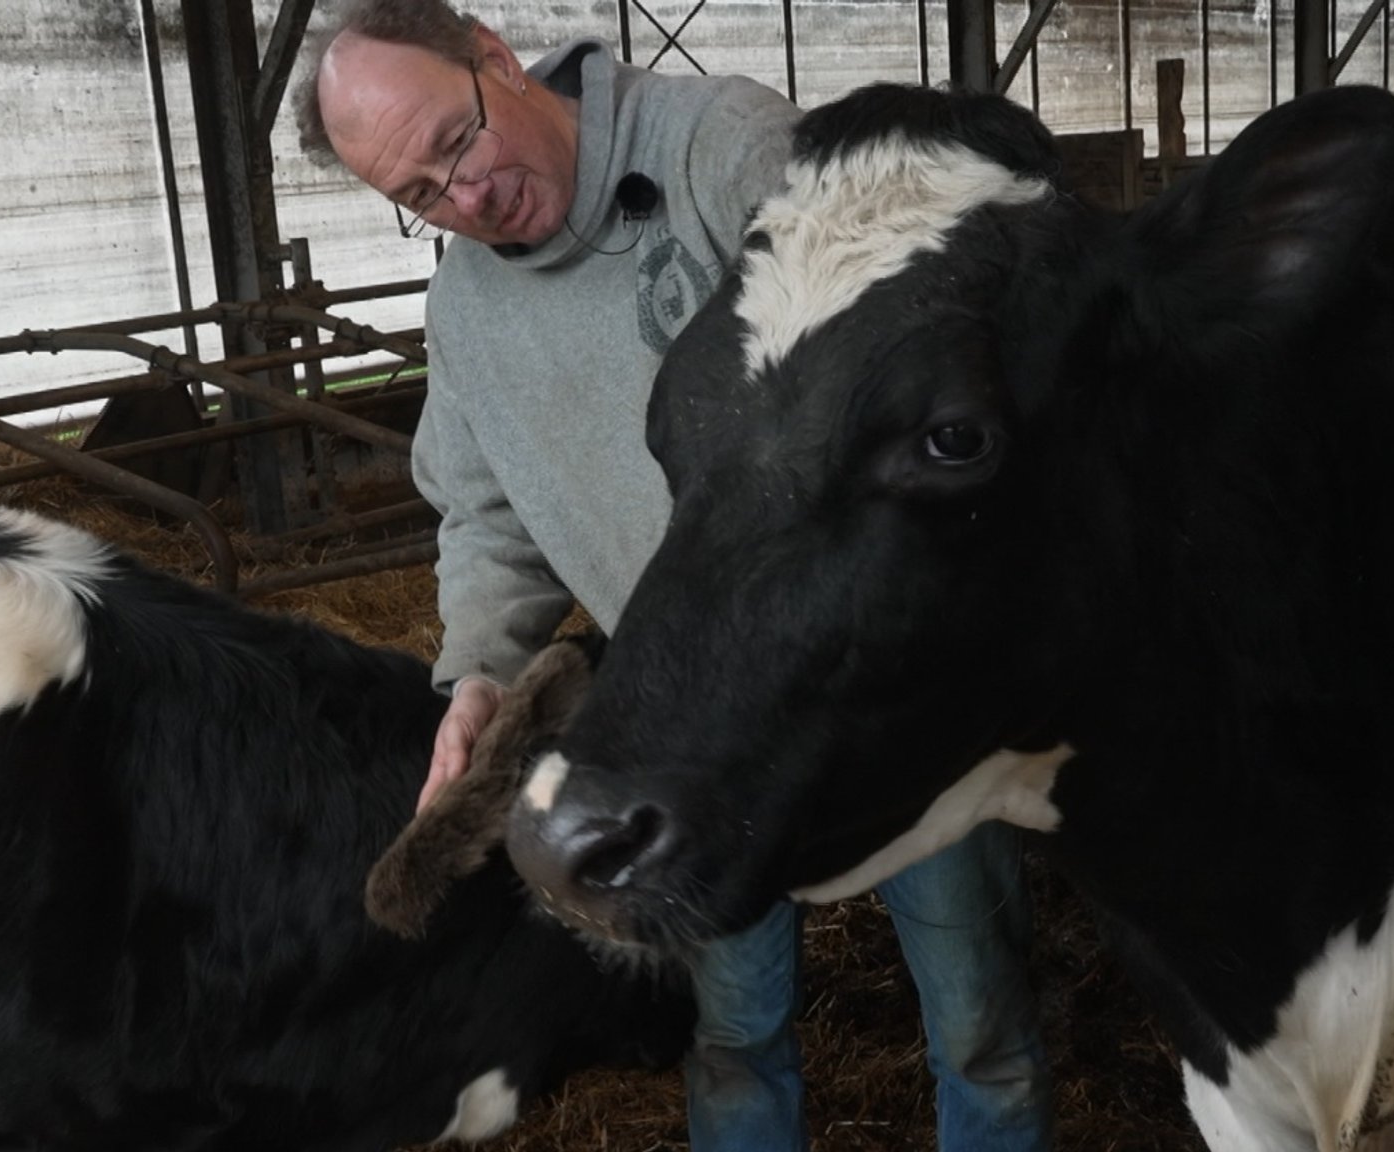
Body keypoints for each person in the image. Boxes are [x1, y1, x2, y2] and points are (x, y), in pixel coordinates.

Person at [296, 5, 1052, 1147]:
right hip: (678, 713)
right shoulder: (465, 309)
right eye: (418, 196)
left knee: (977, 1017)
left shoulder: (719, 146)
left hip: (871, 685)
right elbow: (485, 516)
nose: (464, 198)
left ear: (496, 59)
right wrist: (476, 677)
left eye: (455, 143)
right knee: (734, 1033)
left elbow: (910, 318)